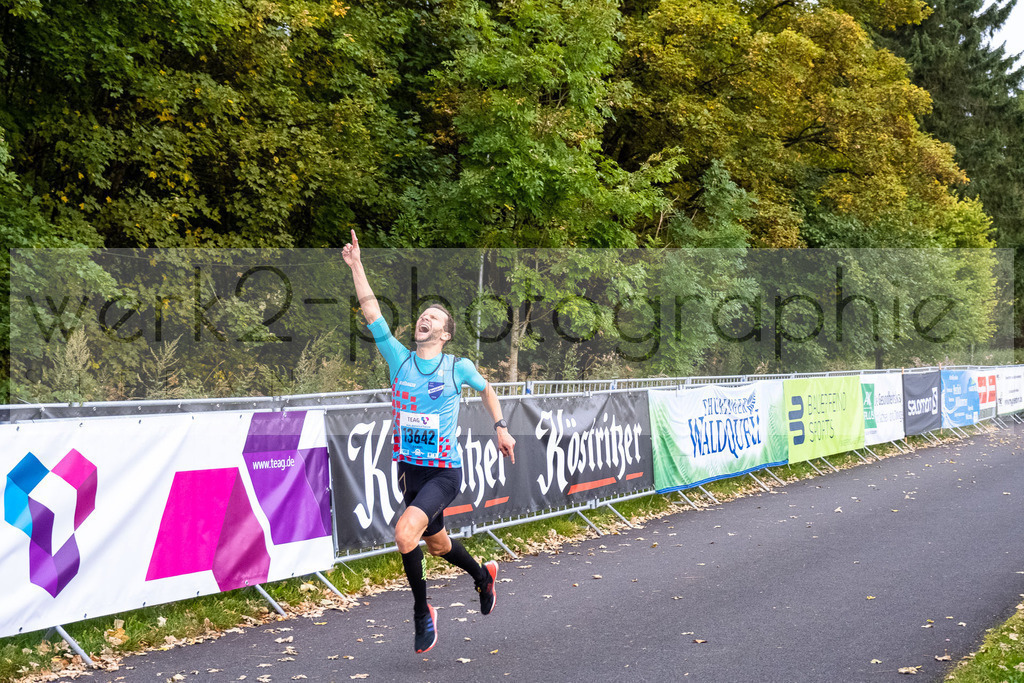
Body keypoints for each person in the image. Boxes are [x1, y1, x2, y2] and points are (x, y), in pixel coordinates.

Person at [342, 230, 516, 654]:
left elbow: (488, 389)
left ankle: (423, 611)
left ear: (446, 334)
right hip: (409, 471)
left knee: (405, 535)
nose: (426, 319)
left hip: (443, 471)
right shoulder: (399, 359)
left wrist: (500, 427)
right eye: (424, 315)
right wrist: (356, 266)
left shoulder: (457, 366)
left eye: (435, 318)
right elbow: (370, 311)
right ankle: (482, 577)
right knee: (436, 544)